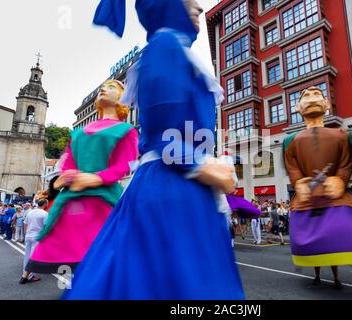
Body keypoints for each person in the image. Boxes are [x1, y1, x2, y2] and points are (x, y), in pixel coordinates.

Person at [63, 0, 244, 300]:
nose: (198, 7)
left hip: (175, 181)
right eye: (188, 1)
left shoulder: (172, 48)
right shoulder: (165, 45)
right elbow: (164, 132)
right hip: (173, 185)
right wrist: (201, 164)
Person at [25, 79, 139, 274]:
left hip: (105, 199)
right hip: (72, 198)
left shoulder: (127, 130)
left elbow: (125, 165)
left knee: (109, 258)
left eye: (112, 88)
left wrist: (97, 178)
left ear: (123, 99)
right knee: (76, 266)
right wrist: (65, 178)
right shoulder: (77, 133)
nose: (104, 89)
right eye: (103, 87)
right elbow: (68, 164)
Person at [283, 86, 352, 289]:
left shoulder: (340, 135)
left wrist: (340, 179)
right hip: (307, 201)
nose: (312, 99)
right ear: (298, 108)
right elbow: (292, 166)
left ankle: (338, 274)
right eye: (306, 97)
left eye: (317, 95)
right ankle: (317, 274)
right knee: (312, 244)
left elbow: (345, 163)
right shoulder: (291, 140)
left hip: (335, 198)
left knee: (339, 233)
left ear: (327, 105)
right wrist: (298, 182)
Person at [20, 199, 49, 284]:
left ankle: (24, 274)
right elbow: (46, 226)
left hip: (28, 235)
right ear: (45, 204)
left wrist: (26, 234)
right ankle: (30, 276)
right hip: (37, 236)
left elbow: (25, 224)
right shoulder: (45, 213)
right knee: (33, 257)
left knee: (27, 255)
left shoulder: (30, 212)